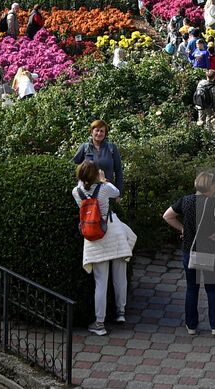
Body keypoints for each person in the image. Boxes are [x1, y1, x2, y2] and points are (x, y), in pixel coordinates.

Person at [73, 160, 135, 337]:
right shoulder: (105, 188)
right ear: (95, 174)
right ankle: (120, 312)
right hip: (113, 233)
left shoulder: (76, 192)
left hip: (94, 236)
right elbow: (116, 192)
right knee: (119, 274)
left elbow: (82, 186)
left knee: (100, 282)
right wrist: (103, 180)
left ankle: (99, 323)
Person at [162, 172, 215, 337]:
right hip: (209, 250)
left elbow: (167, 216)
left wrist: (182, 228)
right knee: (212, 288)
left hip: (190, 249)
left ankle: (191, 326)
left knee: (191, 289)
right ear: (210, 186)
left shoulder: (186, 201)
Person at [73, 120, 124, 192]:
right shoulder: (85, 148)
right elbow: (73, 166)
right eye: (97, 130)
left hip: (107, 192)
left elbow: (119, 172)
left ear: (105, 133)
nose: (99, 133)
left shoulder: (112, 148)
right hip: (87, 192)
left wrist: (119, 193)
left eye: (102, 131)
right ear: (91, 132)